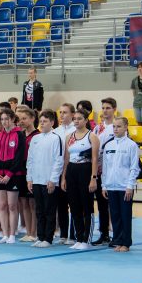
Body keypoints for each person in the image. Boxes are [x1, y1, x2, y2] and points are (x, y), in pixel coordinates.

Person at [61, 109, 99, 250]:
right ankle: (78, 237)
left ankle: (86, 239)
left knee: (86, 205)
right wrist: (64, 177)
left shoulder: (92, 136)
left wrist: (93, 178)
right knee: (74, 205)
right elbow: (66, 159)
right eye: (75, 118)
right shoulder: (69, 137)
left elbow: (95, 159)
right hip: (71, 170)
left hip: (86, 170)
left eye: (79, 118)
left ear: (86, 120)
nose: (76, 121)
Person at [26, 109, 64, 248]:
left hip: (49, 180)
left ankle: (48, 238)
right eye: (40, 121)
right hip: (36, 179)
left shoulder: (56, 138)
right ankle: (40, 236)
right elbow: (30, 160)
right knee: (39, 210)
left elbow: (58, 160)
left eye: (45, 121)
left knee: (49, 210)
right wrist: (29, 178)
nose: (42, 124)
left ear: (52, 122)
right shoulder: (35, 139)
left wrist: (53, 179)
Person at [101, 117, 140, 252]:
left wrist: (130, 186)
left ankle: (126, 242)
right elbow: (105, 167)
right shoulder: (108, 145)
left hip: (124, 187)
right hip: (111, 186)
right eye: (114, 127)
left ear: (125, 127)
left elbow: (134, 167)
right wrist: (104, 185)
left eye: (119, 126)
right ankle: (117, 240)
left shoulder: (131, 145)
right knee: (115, 215)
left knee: (125, 215)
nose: (116, 129)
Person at [0, 108, 27, 245]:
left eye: (7, 119)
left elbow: (19, 157)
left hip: (14, 175)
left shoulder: (19, 135)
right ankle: (4, 234)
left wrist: (9, 174)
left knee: (12, 206)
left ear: (12, 119)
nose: (4, 122)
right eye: (2, 119)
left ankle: (12, 234)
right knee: (2, 205)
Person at [90, 98, 117, 246]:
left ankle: (117, 233)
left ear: (114, 109)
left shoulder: (117, 127)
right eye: (103, 108)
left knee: (112, 204)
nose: (105, 110)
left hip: (112, 170)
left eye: (108, 108)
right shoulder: (97, 128)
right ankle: (104, 233)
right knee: (101, 204)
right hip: (99, 170)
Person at [53, 103, 76, 244]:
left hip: (72, 169)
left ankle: (73, 235)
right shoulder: (55, 131)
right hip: (59, 170)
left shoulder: (76, 130)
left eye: (65, 112)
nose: (62, 115)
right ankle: (63, 234)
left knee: (73, 204)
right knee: (61, 204)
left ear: (72, 114)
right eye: (60, 112)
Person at [16, 107, 39, 242]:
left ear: (32, 118)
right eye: (20, 119)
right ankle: (28, 231)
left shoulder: (37, 135)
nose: (22, 121)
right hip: (20, 171)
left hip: (32, 171)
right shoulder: (20, 135)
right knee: (23, 202)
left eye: (24, 119)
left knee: (32, 203)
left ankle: (34, 232)